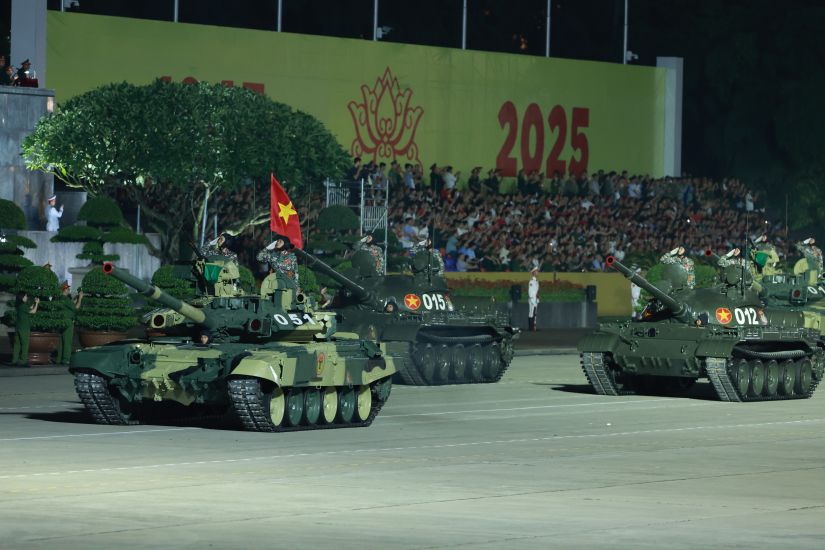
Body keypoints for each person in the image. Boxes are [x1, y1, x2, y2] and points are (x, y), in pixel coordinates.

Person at [56, 282, 83, 365]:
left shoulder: (60, 298)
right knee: (67, 341)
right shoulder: (66, 299)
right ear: (64, 290)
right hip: (68, 321)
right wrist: (80, 299)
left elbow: (70, 305)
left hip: (61, 321)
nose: (69, 290)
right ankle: (66, 359)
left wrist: (76, 299)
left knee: (62, 342)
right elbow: (76, 308)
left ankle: (59, 359)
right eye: (68, 289)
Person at [11, 292, 39, 366]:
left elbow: (30, 308)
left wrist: (34, 302)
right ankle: (23, 361)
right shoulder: (23, 306)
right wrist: (37, 303)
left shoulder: (19, 306)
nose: (26, 297)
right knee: (24, 344)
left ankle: (14, 360)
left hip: (18, 327)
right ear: (22, 297)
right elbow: (33, 311)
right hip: (24, 328)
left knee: (17, 344)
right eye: (25, 296)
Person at [528, 267, 540, 331]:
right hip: (532, 300)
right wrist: (533, 301)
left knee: (534, 313)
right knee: (531, 313)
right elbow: (531, 292)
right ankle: (531, 327)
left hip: (535, 299)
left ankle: (533, 327)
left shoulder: (536, 281)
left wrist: (537, 299)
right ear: (534, 272)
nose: (538, 272)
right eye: (537, 271)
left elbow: (537, 291)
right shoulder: (532, 281)